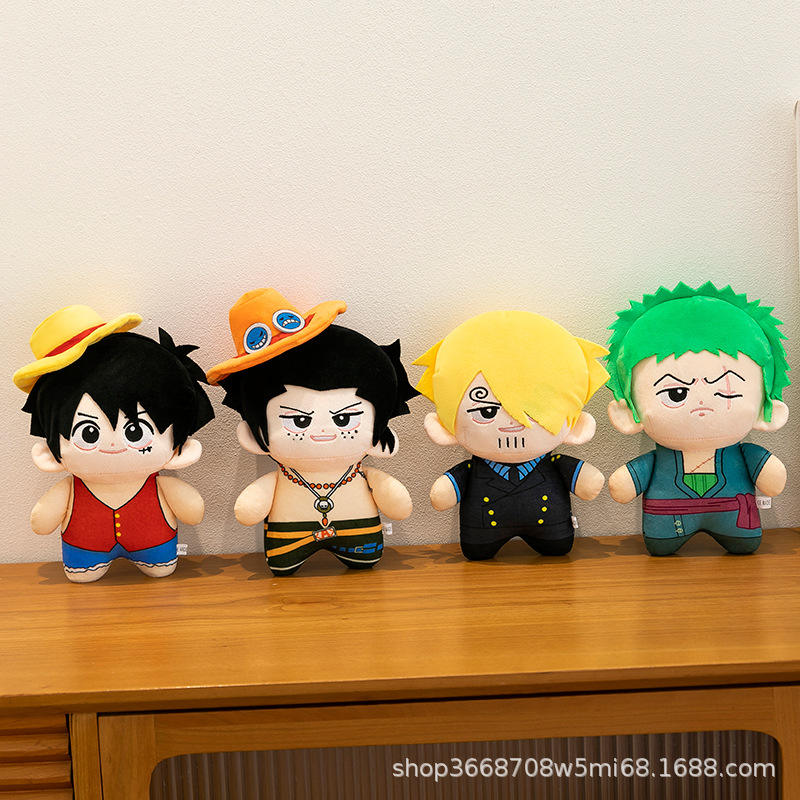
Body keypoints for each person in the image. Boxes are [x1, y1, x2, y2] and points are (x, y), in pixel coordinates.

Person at [207, 288, 418, 576]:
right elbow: (248, 511)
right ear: (253, 434)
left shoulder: (363, 468)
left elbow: (398, 506)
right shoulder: (281, 475)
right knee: (281, 563)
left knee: (366, 559)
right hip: (288, 536)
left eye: (344, 419)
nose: (322, 433)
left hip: (361, 534)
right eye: (299, 421)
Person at [14, 305, 214, 582]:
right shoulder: (70, 488)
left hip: (154, 544)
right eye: (88, 433)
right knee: (82, 578)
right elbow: (42, 521)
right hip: (85, 549)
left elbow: (192, 511)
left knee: (161, 569)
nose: (113, 446)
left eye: (135, 431)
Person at [606, 282, 790, 555]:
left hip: (735, 518)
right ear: (628, 414)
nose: (702, 404)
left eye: (725, 391)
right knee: (661, 548)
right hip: (669, 520)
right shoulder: (659, 459)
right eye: (676, 393)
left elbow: (772, 480)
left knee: (745, 543)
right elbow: (624, 486)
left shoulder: (745, 454)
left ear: (767, 409)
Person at [414, 310, 608, 560]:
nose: (513, 424)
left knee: (557, 546)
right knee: (477, 550)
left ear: (577, 426)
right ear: (444, 427)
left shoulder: (553, 464)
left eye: (533, 411)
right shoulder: (474, 470)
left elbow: (588, 482)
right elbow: (444, 495)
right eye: (486, 411)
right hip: (482, 532)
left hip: (550, 529)